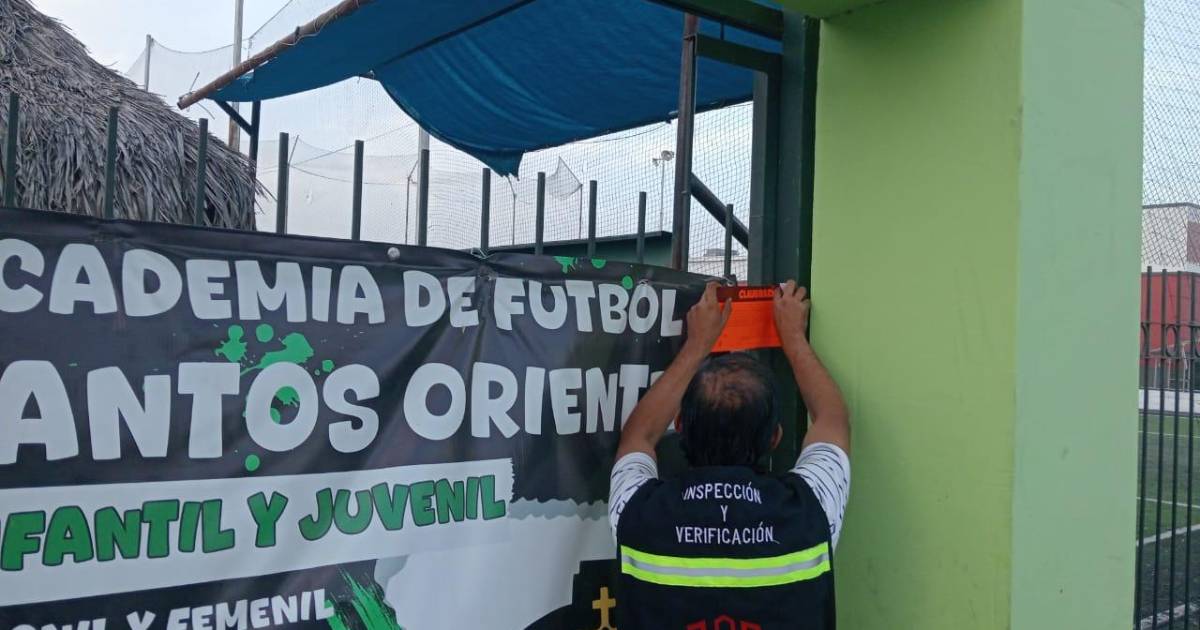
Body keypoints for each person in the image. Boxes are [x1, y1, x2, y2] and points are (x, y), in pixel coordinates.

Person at [609, 280, 850, 630]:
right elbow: (832, 420)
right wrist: (794, 337)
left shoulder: (638, 510)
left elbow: (638, 436)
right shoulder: (810, 508)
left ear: (680, 425)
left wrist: (697, 346)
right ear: (775, 438)